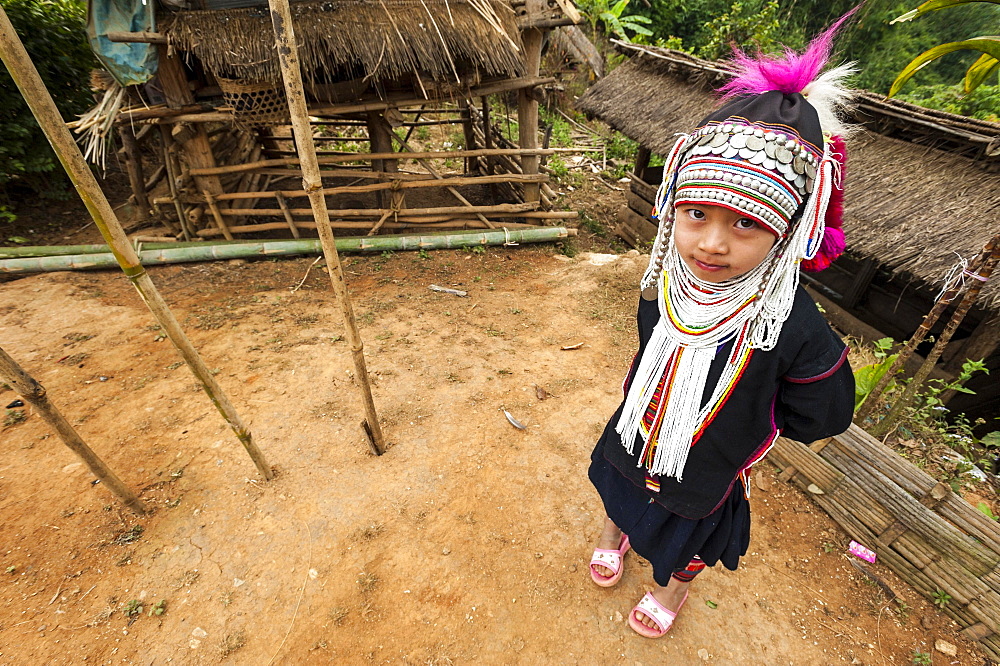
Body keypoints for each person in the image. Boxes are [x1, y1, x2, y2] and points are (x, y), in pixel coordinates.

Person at [587, 19, 858, 639]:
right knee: (618, 490)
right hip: (636, 432)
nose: (711, 244)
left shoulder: (792, 325)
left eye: (746, 224)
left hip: (710, 467)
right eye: (697, 213)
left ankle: (669, 596)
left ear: (789, 230)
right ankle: (615, 534)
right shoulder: (663, 287)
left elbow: (825, 411)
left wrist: (745, 426)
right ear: (672, 206)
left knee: (689, 541)